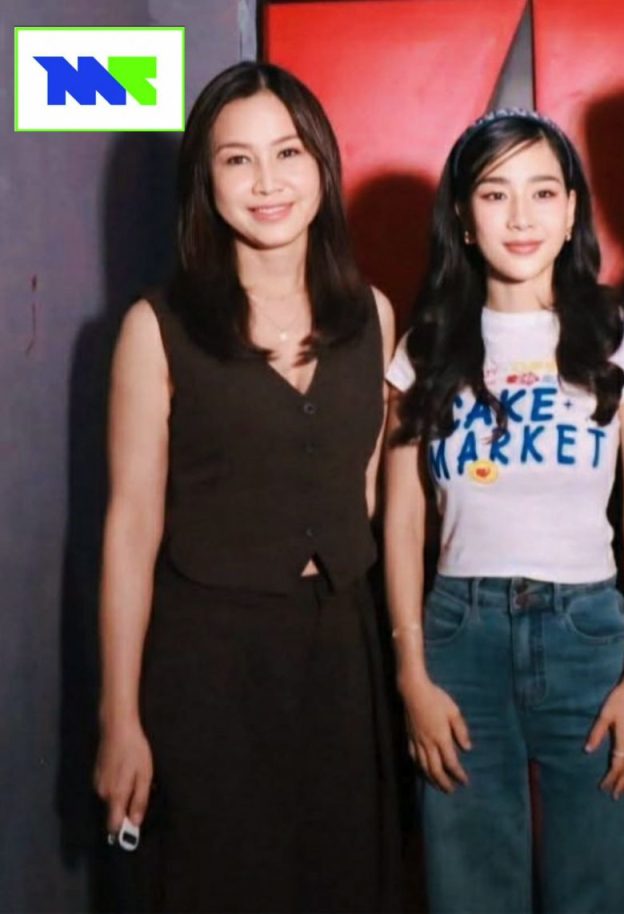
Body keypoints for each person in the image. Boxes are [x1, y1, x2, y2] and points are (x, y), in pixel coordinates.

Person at [92, 61, 400, 913]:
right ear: (206, 179)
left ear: (322, 164)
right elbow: (130, 529)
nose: (268, 182)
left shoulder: (373, 316)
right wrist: (121, 717)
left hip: (342, 659)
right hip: (210, 664)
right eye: (238, 159)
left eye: (288, 152)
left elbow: (365, 495)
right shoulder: (156, 329)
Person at [383, 109, 624, 913]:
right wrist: (411, 674)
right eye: (494, 193)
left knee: (605, 891)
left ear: (572, 210)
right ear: (463, 217)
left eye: (543, 192)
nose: (520, 216)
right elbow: (400, 520)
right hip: (458, 638)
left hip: (590, 638)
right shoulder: (424, 348)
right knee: (469, 892)